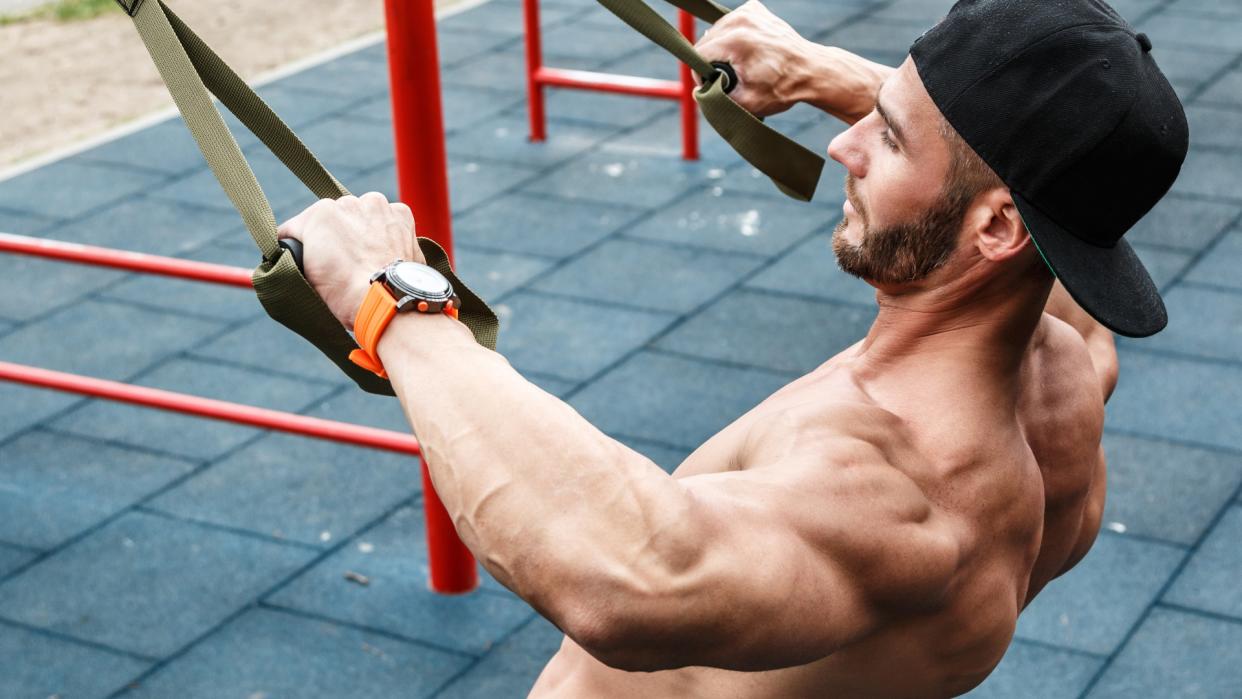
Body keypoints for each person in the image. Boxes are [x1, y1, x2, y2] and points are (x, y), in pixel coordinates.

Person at [277, 0, 1187, 695]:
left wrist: (391, 297)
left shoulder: (900, 490)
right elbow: (1047, 212)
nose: (844, 143)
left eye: (890, 133)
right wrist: (815, 69)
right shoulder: (1067, 363)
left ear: (995, 227)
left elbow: (633, 573)